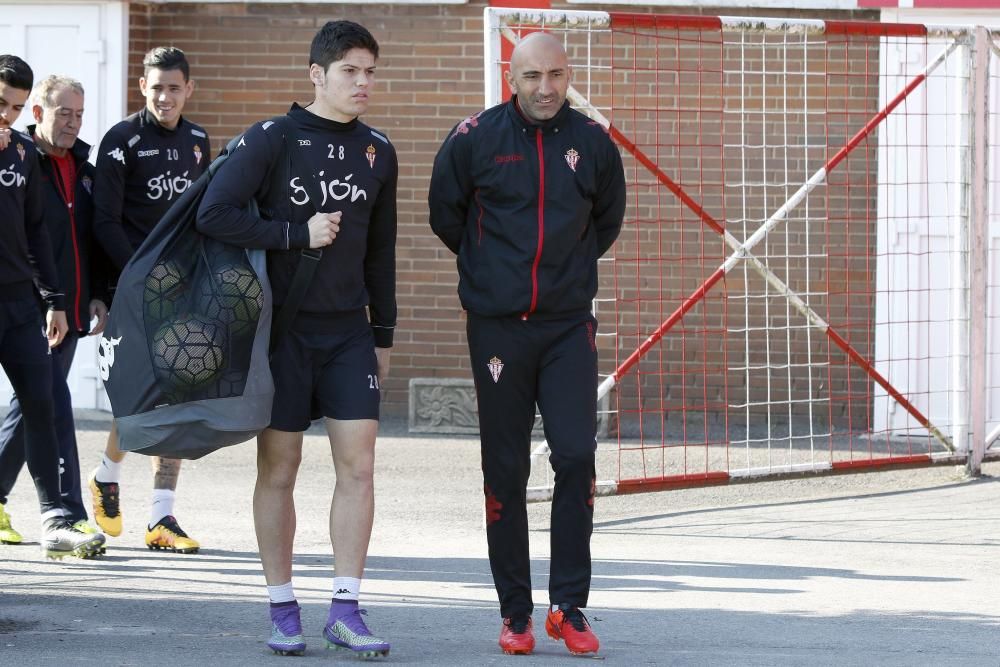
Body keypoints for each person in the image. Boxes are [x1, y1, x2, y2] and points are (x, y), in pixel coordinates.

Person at [197, 20, 397, 658]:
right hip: (280, 335)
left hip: (348, 334)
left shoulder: (378, 151)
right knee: (280, 469)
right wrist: (295, 234)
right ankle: (283, 608)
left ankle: (346, 608)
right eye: (350, 71)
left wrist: (383, 333)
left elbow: (381, 250)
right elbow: (214, 212)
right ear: (317, 74)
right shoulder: (272, 139)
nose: (363, 83)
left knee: (359, 467)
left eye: (370, 71)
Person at [428, 32, 626, 657]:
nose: (547, 88)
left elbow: (606, 222)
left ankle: (569, 606)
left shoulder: (593, 143)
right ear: (510, 78)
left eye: (558, 75)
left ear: (570, 76)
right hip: (497, 327)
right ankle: (516, 612)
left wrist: (561, 277)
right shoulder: (473, 139)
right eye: (534, 76)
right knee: (505, 468)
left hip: (569, 326)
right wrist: (495, 274)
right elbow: (446, 216)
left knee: (575, 456)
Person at [90, 46, 210, 554]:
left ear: (188, 89)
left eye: (174, 87)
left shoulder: (200, 141)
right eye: (156, 87)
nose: (165, 96)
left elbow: (205, 213)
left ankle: (162, 517)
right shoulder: (121, 141)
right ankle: (107, 476)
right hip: (134, 288)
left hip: (184, 287)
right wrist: (139, 275)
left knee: (180, 394)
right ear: (142, 86)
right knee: (139, 395)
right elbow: (104, 223)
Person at [0, 55, 104, 559]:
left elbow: (65, 235)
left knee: (42, 403)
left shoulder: (64, 163)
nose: (73, 122)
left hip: (47, 305)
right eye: (64, 112)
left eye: (80, 114)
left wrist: (70, 300)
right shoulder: (25, 155)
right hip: (34, 303)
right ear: (42, 111)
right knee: (43, 402)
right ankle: (56, 511)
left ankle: (57, 517)